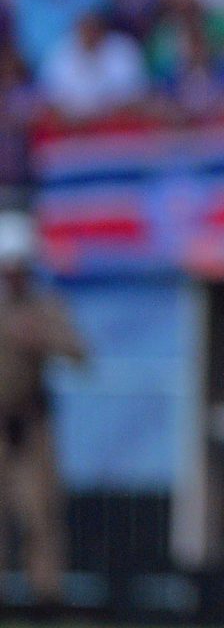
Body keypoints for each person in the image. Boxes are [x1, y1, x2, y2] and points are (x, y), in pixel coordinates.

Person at [0, 211, 87, 606]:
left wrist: (42, 336)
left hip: (33, 422)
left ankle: (46, 594)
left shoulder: (46, 306)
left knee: (40, 511)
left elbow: (80, 353)